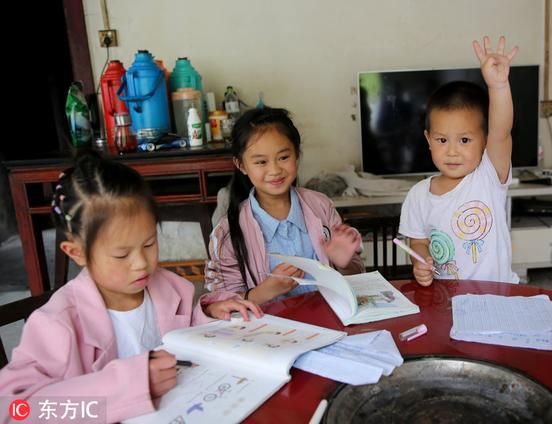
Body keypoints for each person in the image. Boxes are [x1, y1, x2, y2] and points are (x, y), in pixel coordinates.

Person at [0, 152, 261, 423]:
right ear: (76, 252)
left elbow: (184, 333)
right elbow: (15, 410)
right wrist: (124, 387)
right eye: (121, 255)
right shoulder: (57, 324)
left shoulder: (170, 288)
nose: (141, 264)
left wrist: (210, 313)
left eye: (149, 244)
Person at [205, 107, 365, 315]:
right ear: (241, 165)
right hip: (271, 336)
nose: (274, 170)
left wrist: (343, 264)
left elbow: (356, 277)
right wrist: (265, 291)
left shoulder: (321, 207)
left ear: (296, 154)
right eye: (261, 162)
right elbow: (222, 305)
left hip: (330, 321)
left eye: (283, 157)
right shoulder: (227, 231)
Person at [399, 36, 520, 286]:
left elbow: (501, 131)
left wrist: (498, 86)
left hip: (497, 298)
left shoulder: (488, 175)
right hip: (447, 300)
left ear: (484, 140)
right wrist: (420, 261)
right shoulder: (419, 195)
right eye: (442, 140)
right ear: (428, 139)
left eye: (464, 140)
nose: (452, 152)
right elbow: (418, 242)